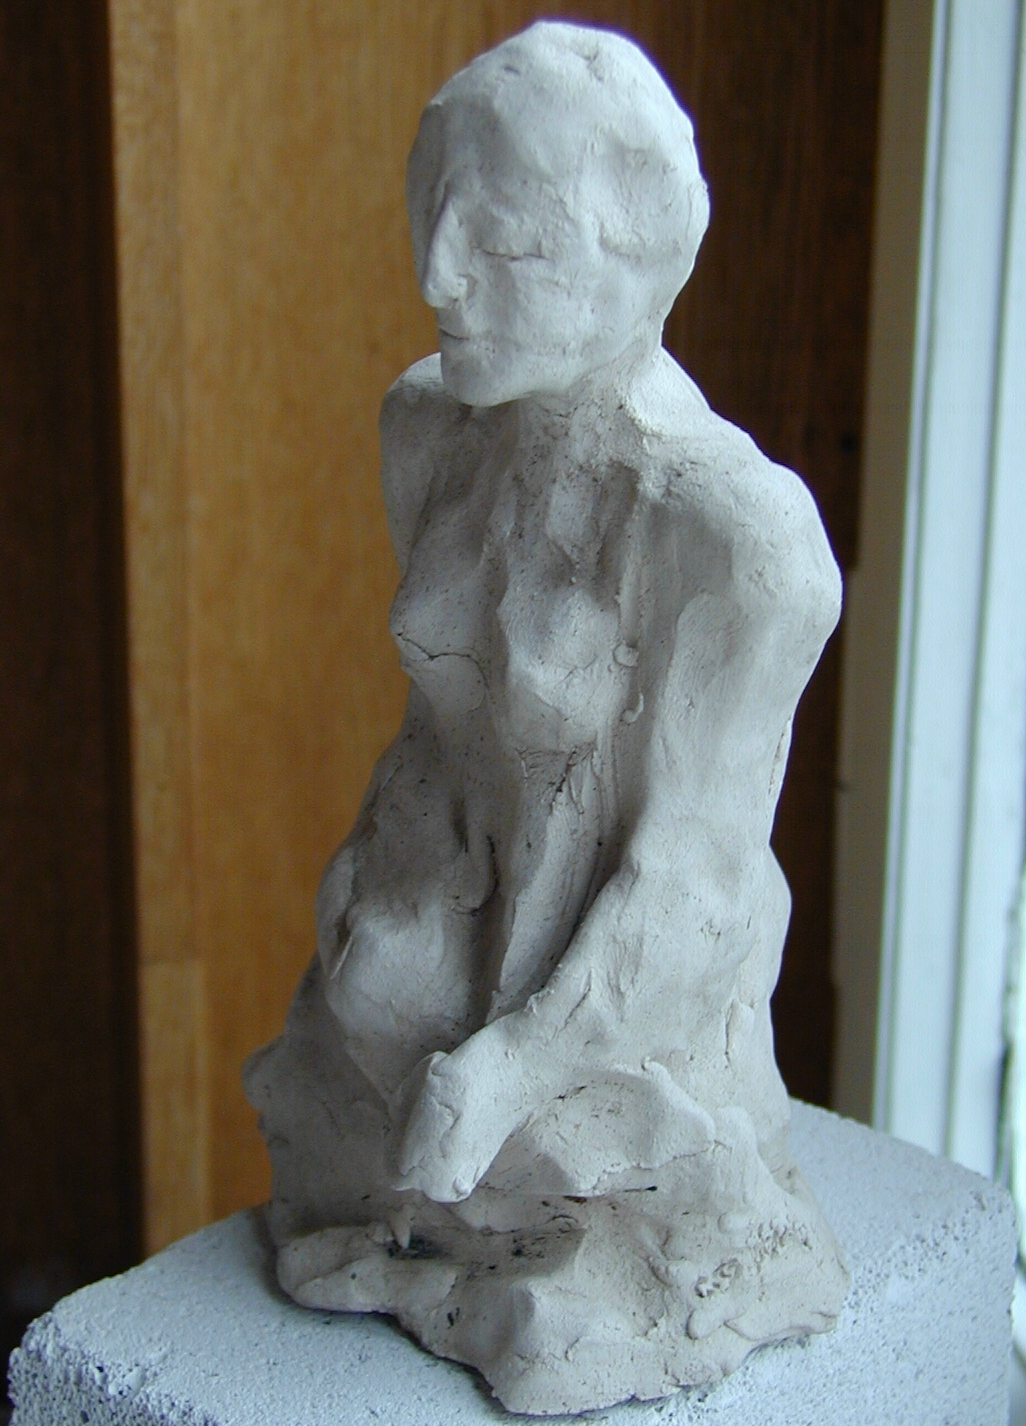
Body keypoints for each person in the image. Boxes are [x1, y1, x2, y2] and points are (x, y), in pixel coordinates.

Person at [246, 22, 847, 1415]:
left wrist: (509, 1069)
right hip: (434, 923)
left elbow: (692, 886)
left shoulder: (739, 541)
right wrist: (372, 914)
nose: (437, 276)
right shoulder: (429, 426)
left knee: (541, 1174)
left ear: (639, 260)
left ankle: (569, 1238)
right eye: (429, 215)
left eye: (505, 244)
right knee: (366, 1056)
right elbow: (436, 736)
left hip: (613, 998)